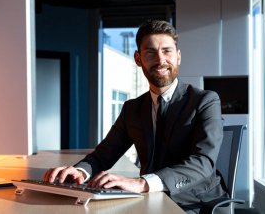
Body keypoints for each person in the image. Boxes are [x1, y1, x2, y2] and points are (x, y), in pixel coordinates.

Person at [43, 19, 227, 213]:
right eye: (150, 53)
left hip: (197, 203)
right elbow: (104, 154)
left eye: (167, 51)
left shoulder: (205, 101)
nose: (160, 60)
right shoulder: (132, 109)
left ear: (178, 56)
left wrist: (142, 183)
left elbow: (203, 162)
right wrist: (80, 171)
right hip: (150, 201)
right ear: (138, 59)